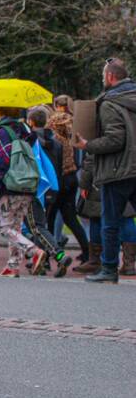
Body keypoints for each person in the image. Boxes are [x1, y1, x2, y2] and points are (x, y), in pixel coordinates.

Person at [74, 57, 136, 283]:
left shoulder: (110, 104)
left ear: (110, 77)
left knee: (110, 221)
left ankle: (109, 268)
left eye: (103, 76)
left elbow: (115, 139)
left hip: (117, 170)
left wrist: (87, 145)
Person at [0, 107, 65, 277]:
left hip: (10, 185)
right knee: (16, 227)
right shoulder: (26, 131)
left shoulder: (3, 132)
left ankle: (34, 250)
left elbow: (0, 159)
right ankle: (13, 265)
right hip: (27, 184)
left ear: (1, 112)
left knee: (4, 227)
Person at [27, 108, 83, 276]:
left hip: (35, 187)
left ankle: (52, 258)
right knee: (42, 225)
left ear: (31, 122)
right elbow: (59, 167)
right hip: (52, 187)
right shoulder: (56, 143)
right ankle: (46, 259)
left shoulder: (30, 141)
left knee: (38, 226)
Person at [47, 99, 88, 260]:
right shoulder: (71, 140)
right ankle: (87, 251)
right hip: (71, 179)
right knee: (71, 219)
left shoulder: (54, 141)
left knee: (50, 219)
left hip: (59, 181)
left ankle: (50, 253)